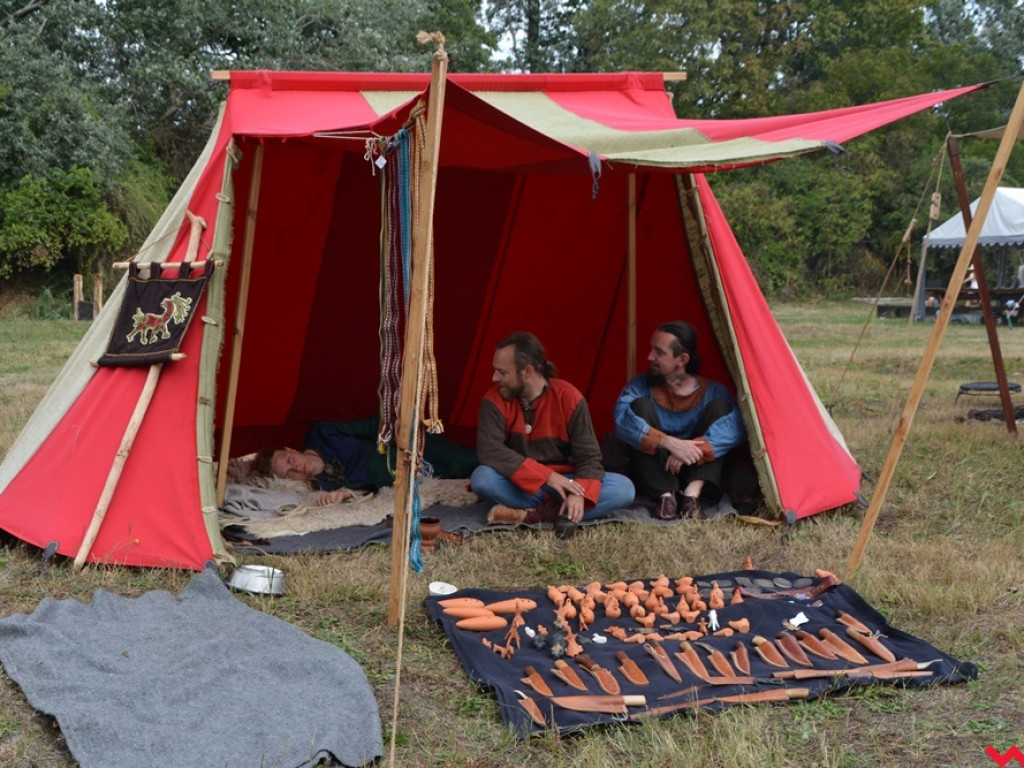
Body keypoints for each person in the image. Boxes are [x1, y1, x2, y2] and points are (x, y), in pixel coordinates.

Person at [470, 332, 635, 526]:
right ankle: (559, 515)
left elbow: (589, 457)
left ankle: (529, 515)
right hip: (522, 483)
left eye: (503, 372)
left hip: (566, 482)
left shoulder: (569, 397)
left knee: (624, 489)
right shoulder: (494, 400)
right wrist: (545, 476)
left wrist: (578, 493)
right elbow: (490, 451)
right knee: (482, 478)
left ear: (528, 372)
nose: (494, 377)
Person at [613, 321, 747, 521]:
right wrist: (669, 442)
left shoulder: (713, 391)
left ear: (682, 359)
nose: (650, 357)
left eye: (659, 352)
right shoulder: (640, 386)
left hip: (696, 471)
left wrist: (693, 449)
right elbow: (621, 420)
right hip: (654, 472)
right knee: (639, 406)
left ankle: (690, 497)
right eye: (651, 349)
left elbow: (738, 427)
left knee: (721, 408)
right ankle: (666, 498)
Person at [253, 422, 376, 506]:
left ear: (291, 450)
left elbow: (372, 426)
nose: (297, 468)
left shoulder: (320, 433)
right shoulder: (319, 489)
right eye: (289, 474)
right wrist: (346, 494)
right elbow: (369, 488)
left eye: (290, 460)